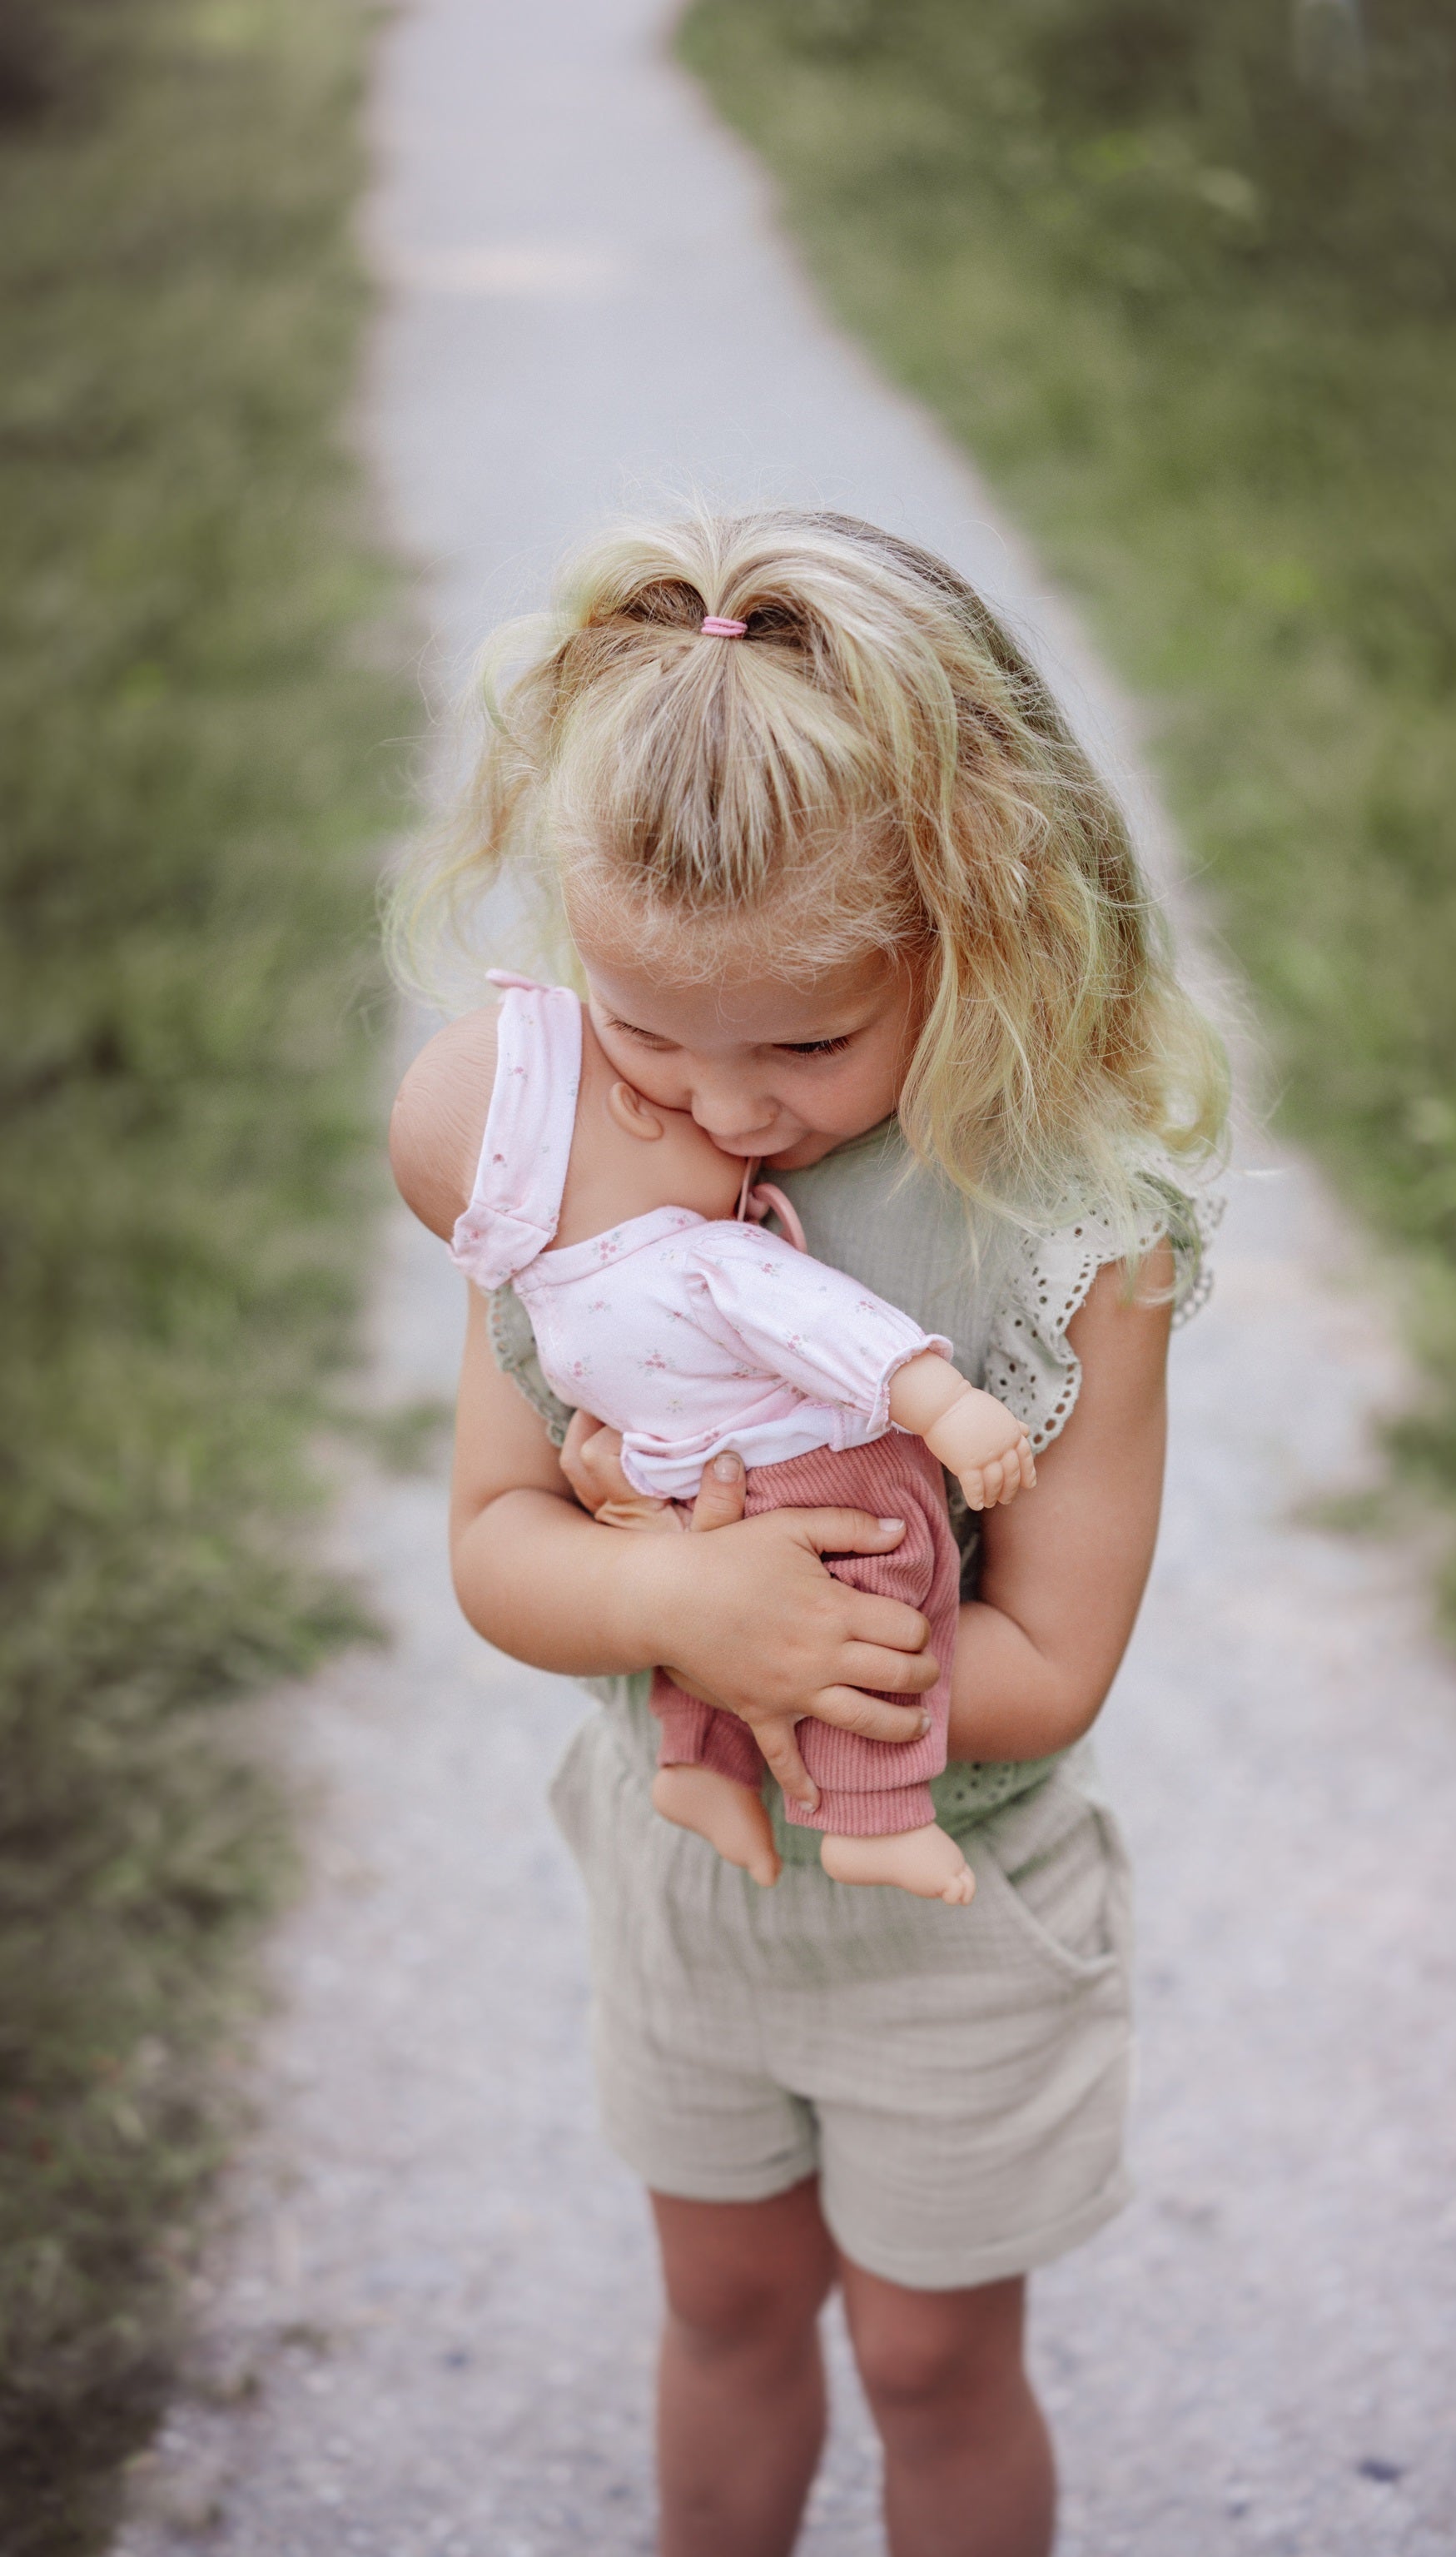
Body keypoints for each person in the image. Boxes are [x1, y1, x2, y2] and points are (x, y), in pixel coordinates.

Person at [386, 507, 1226, 2557]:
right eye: (652, 1024)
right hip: (688, 1899)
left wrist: (802, 1653)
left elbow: (1052, 1661)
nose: (721, 1107)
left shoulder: (1067, 1235)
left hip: (959, 1911)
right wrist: (670, 1597)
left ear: (983, 919)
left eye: (804, 1043)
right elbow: (499, 1532)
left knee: (933, 2355)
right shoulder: (564, 1153)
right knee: (725, 2300)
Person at [410, 963, 1036, 1898]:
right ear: (630, 1108)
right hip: (816, 1474)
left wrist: (671, 1567)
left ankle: (695, 1765)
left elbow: (599, 1442)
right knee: (890, 1571)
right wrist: (943, 1404)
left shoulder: (556, 1312)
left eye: (807, 1042)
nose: (729, 1122)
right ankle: (874, 1818)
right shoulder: (706, 1254)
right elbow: (828, 1326)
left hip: (697, 1494)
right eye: (652, 1049)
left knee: (707, 1566)